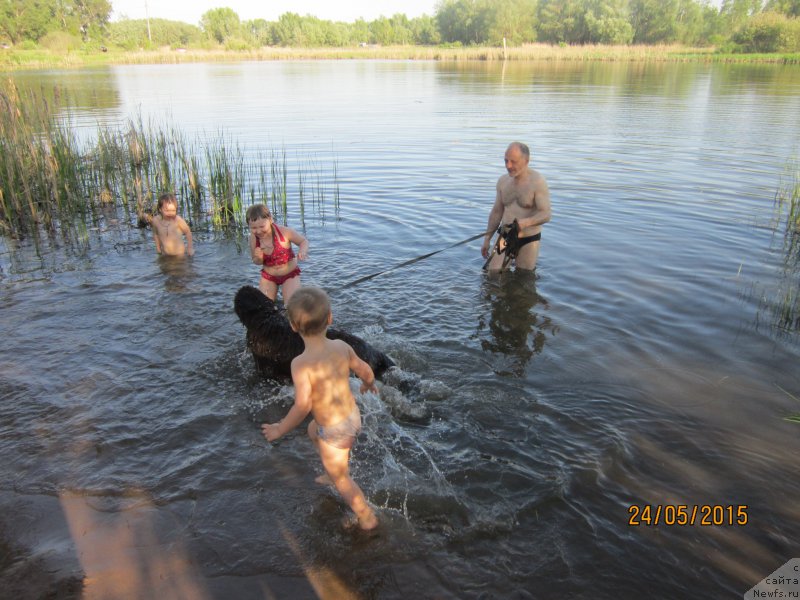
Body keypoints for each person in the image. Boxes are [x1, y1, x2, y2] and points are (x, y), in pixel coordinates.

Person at [261, 287, 379, 531]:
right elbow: (364, 369)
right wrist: (369, 384)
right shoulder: (340, 346)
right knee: (313, 431)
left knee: (342, 478)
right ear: (330, 318)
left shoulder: (301, 364)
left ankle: (366, 516)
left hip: (335, 428)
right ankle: (331, 471)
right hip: (352, 416)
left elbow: (303, 406)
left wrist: (279, 429)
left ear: (293, 326)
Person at [481, 142, 551, 271]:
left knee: (524, 277)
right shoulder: (503, 181)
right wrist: (487, 238)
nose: (508, 166)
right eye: (506, 161)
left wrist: (525, 223)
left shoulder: (538, 182)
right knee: (493, 273)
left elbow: (546, 214)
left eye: (513, 162)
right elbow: (496, 212)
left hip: (529, 239)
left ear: (526, 160)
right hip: (505, 236)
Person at [246, 204, 308, 303]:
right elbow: (256, 261)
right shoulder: (253, 238)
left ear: (270, 219)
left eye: (262, 226)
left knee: (291, 306)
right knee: (264, 307)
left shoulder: (284, 232)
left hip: (289, 274)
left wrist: (302, 251)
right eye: (253, 228)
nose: (258, 231)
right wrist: (258, 258)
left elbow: (303, 241)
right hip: (269, 276)